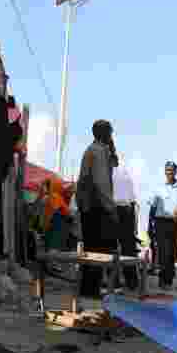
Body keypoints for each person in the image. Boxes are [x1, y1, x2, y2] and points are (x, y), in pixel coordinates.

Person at [75, 119, 120, 297]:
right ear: (105, 133)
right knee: (98, 250)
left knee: (92, 249)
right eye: (110, 133)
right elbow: (102, 183)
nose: (111, 136)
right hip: (96, 207)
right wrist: (111, 208)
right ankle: (91, 290)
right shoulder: (98, 151)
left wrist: (112, 148)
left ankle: (88, 289)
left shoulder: (96, 150)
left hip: (89, 206)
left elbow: (115, 163)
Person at [150, 161, 177, 289]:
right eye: (167, 170)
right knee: (163, 252)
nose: (169, 172)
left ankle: (169, 278)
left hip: (174, 223)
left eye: (171, 170)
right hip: (160, 222)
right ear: (165, 171)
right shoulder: (159, 188)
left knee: (172, 252)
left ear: (176, 172)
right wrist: (150, 225)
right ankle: (163, 280)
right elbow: (153, 206)